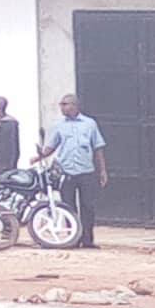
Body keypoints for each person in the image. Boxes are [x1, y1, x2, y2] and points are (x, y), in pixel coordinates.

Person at [36, 94, 108, 249]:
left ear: (75, 106)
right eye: (61, 104)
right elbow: (52, 146)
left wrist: (102, 170)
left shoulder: (89, 124)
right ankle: (72, 239)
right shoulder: (59, 125)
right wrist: (38, 156)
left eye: (65, 104)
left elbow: (98, 148)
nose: (62, 107)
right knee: (68, 206)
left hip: (86, 170)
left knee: (88, 206)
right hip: (66, 172)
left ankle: (87, 239)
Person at [0, 96, 20, 173]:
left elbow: (13, 145)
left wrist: (11, 164)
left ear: (1, 106)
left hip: (6, 164)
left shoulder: (10, 123)